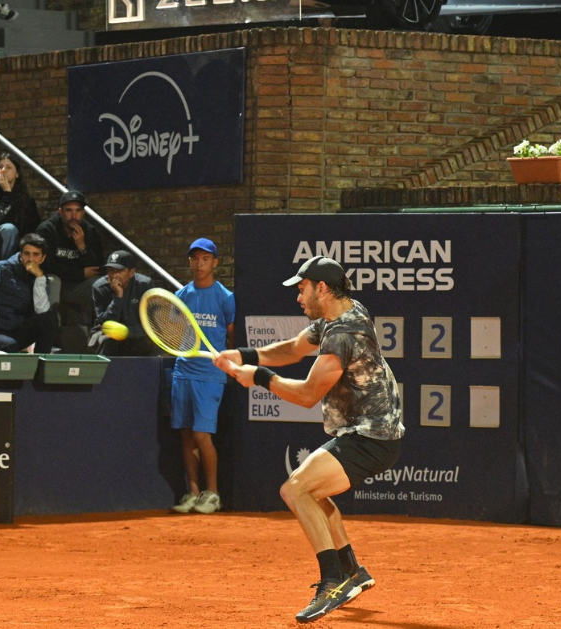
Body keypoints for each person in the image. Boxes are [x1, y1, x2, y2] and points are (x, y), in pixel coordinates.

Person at [213, 255, 402, 623]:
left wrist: (259, 377)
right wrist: (243, 354)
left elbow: (307, 394)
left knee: (296, 489)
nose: (298, 297)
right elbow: (294, 348)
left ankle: (332, 580)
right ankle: (351, 571)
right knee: (314, 493)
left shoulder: (345, 332)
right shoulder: (338, 315)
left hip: (371, 436)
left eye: (301, 289)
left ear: (322, 288)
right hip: (366, 432)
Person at [169, 238, 235, 515]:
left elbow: (231, 334)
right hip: (183, 371)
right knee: (186, 434)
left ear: (215, 263)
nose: (200, 264)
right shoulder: (182, 295)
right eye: (195, 259)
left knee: (201, 434)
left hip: (210, 374)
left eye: (205, 259)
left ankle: (213, 494)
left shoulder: (225, 297)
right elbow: (173, 332)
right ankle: (193, 493)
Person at [0, 233, 58, 354]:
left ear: (42, 258)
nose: (30, 259)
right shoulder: (1, 269)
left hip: (17, 329)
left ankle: (41, 367)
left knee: (49, 318)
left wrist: (39, 278)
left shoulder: (40, 277)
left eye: (36, 255)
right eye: (26, 254)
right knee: (10, 345)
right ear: (20, 255)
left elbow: (41, 311)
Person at [37, 190, 104, 331]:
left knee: (101, 284)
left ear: (83, 213)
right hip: (54, 284)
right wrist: (80, 273)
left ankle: (99, 332)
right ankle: (51, 331)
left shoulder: (90, 231)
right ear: (60, 212)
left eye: (78, 211)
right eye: (69, 211)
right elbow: (46, 265)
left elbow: (97, 267)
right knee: (53, 280)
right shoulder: (47, 230)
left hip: (77, 286)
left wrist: (82, 247)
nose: (74, 216)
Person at [88, 249, 156, 355]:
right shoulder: (99, 287)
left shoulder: (144, 285)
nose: (114, 275)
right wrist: (118, 296)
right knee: (106, 340)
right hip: (108, 332)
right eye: (110, 270)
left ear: (131, 272)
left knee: (150, 342)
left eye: (119, 271)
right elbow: (104, 322)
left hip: (137, 333)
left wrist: (128, 333)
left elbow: (152, 319)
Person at [0, 153, 41, 260]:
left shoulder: (26, 199)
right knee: (9, 229)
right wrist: (7, 193)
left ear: (17, 174)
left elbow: (33, 229)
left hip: (14, 253)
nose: (3, 170)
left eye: (9, 167)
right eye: (0, 167)